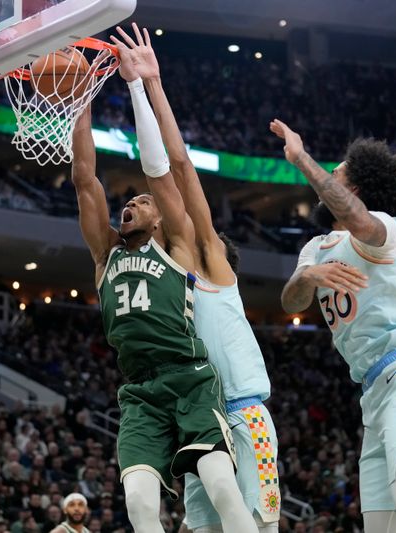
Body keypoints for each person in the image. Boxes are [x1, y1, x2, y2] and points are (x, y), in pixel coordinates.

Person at [69, 28, 257, 533]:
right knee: (138, 503)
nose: (131, 203)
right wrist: (81, 102)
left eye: (141, 203)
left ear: (159, 220)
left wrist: (139, 86)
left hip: (189, 377)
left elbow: (163, 172)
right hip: (139, 389)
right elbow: (86, 180)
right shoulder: (105, 254)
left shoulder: (178, 246)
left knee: (220, 484)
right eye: (127, 203)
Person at [110, 25, 281, 533]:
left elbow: (177, 167)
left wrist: (150, 85)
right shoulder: (163, 276)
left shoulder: (210, 262)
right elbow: (159, 174)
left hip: (243, 416)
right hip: (197, 414)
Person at [271, 120, 396, 533]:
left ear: (353, 190)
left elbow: (356, 219)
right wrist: (307, 277)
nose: (330, 175)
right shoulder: (315, 248)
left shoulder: (386, 229)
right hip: (372, 394)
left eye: (337, 172)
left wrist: (302, 159)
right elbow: (291, 301)